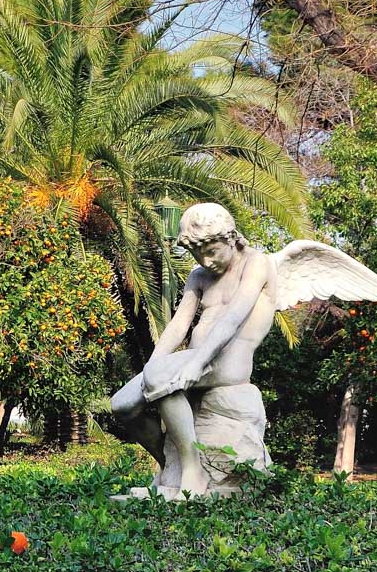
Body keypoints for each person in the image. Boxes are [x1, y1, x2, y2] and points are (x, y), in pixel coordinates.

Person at [111, 203, 277, 496]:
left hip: (229, 364)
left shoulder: (256, 264)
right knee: (122, 405)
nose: (205, 261)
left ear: (231, 238)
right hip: (194, 360)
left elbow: (234, 317)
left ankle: (192, 471)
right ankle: (170, 470)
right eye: (197, 254)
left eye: (211, 251)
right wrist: (152, 367)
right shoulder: (199, 276)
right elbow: (178, 326)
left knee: (160, 376)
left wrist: (196, 363)